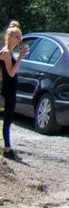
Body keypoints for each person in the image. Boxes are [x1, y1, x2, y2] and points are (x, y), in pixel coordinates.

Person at [2, 21, 28, 160]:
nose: (19, 39)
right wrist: (20, 58)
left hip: (9, 87)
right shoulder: (6, 52)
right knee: (8, 118)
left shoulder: (7, 52)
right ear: (10, 37)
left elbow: (2, 74)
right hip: (9, 89)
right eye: (17, 36)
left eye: (20, 36)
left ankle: (7, 147)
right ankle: (7, 149)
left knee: (9, 117)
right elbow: (11, 73)